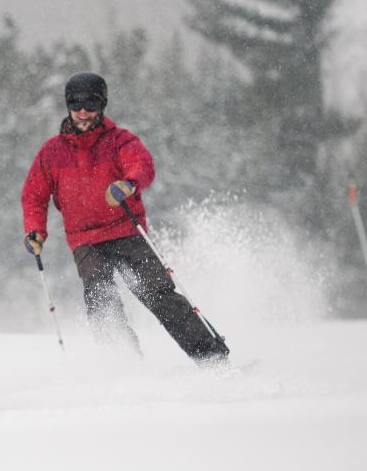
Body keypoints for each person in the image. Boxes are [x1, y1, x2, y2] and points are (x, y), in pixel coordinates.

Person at [20, 72, 229, 364]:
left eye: (90, 104)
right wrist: (35, 231)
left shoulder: (119, 141)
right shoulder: (52, 153)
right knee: (100, 298)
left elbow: (142, 166)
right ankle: (124, 364)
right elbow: (34, 196)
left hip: (127, 232)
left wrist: (128, 183)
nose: (82, 111)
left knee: (158, 294)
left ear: (102, 105)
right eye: (75, 103)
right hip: (85, 240)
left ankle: (211, 357)